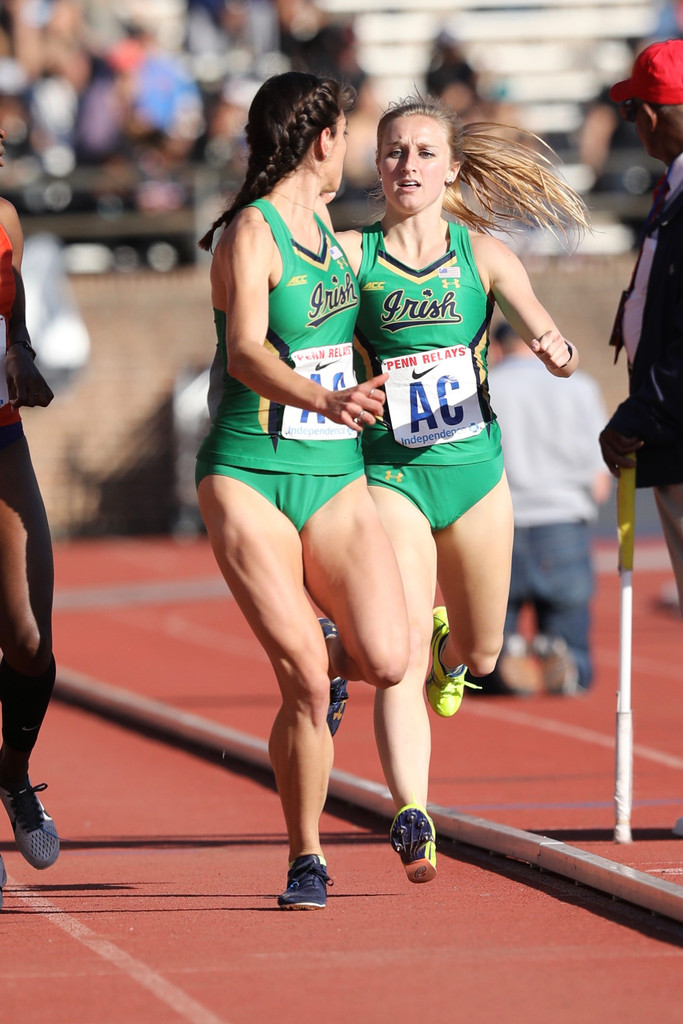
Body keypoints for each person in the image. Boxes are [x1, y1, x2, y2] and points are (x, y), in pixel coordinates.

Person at [335, 95, 588, 881]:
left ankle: (453, 653)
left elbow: (547, 331)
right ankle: (411, 809)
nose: (406, 165)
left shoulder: (481, 257)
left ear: (449, 169)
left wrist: (554, 346)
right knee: (398, 656)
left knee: (479, 650)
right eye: (392, 151)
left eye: (421, 152)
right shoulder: (350, 255)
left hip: (475, 477)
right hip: (390, 474)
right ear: (375, 165)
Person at [195, 72, 409, 909]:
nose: (351, 147)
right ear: (322, 139)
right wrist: (327, 397)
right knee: (303, 684)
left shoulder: (328, 225)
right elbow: (246, 350)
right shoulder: (252, 234)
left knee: (388, 658)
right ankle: (306, 855)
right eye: (349, 133)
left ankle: (326, 667)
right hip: (249, 472)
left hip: (334, 475)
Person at [595, 40, 683, 837]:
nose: (632, 123)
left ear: (656, 112)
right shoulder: (670, 188)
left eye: (634, 110)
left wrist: (639, 415)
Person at [481, 321, 611, 696]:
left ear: (499, 349)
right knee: (573, 638)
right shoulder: (581, 387)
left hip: (499, 524)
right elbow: (600, 477)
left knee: (485, 644)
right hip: (562, 521)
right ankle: (564, 659)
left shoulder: (487, 386)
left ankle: (506, 659)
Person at [0, 125, 60, 909]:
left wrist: (23, 353)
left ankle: (12, 776)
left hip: (1, 436)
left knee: (28, 639)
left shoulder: (6, 219)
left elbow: (12, 329)